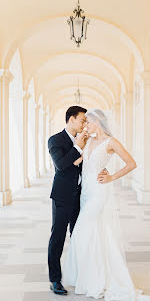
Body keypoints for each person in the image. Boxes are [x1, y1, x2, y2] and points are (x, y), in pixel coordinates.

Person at [63, 109, 150, 301]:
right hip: (86, 193)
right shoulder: (89, 141)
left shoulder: (111, 142)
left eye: (88, 122)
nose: (85, 126)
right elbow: (81, 162)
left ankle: (97, 279)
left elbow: (131, 163)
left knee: (81, 231)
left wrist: (111, 177)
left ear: (97, 121)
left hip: (99, 192)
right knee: (94, 233)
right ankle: (91, 277)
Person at [48, 105, 88, 295]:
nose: (84, 124)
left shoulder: (87, 140)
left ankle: (80, 274)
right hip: (62, 196)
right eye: (82, 120)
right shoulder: (55, 140)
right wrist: (78, 146)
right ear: (71, 119)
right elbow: (61, 165)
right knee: (58, 238)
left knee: (79, 236)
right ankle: (55, 279)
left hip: (82, 196)